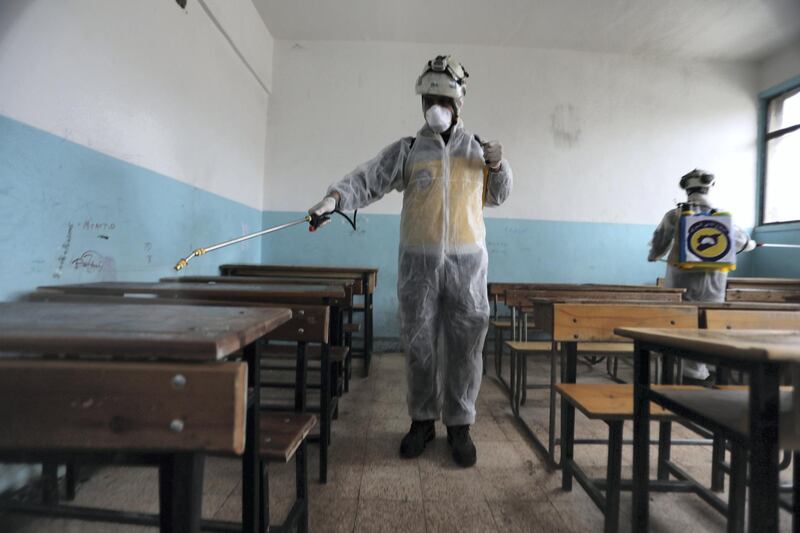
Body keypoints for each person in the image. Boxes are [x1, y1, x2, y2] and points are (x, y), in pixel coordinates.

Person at [308, 55, 512, 467]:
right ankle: (422, 421)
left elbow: (499, 195)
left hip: (467, 269)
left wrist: (498, 164)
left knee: (465, 347)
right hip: (418, 268)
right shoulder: (409, 150)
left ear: (457, 103)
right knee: (419, 347)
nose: (434, 106)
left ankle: (460, 425)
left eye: (442, 98)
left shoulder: (477, 151)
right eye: (429, 98)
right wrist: (334, 199)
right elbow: (369, 178)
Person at [648, 169, 755, 384]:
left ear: (686, 189)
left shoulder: (675, 215)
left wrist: (654, 255)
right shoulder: (723, 216)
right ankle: (710, 371)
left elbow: (659, 243)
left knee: (682, 327)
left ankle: (689, 374)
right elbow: (744, 242)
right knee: (711, 326)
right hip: (715, 285)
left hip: (681, 284)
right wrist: (752, 244)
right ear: (709, 187)